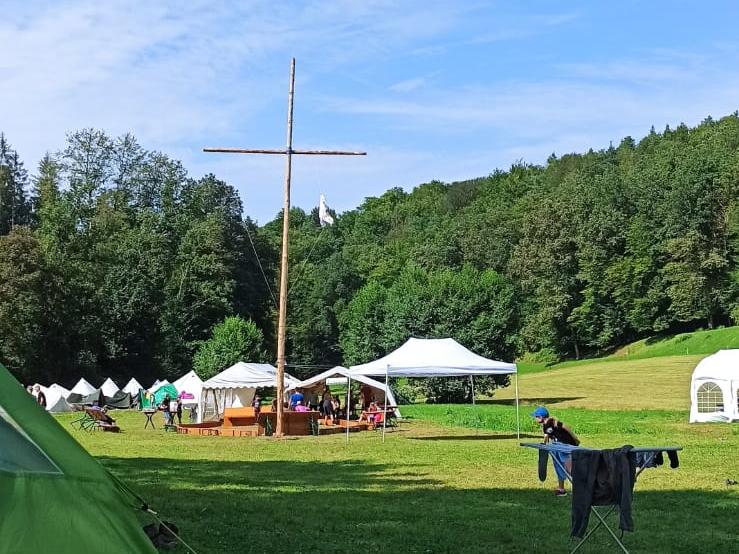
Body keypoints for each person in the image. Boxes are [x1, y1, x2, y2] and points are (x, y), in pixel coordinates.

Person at [531, 406, 580, 497]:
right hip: (557, 447)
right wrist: (544, 444)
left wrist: (575, 439)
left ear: (541, 417)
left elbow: (566, 427)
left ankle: (578, 488)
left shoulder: (552, 422)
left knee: (568, 466)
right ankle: (561, 489)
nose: (535, 418)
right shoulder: (545, 425)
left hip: (565, 446)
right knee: (558, 466)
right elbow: (547, 435)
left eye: (536, 417)